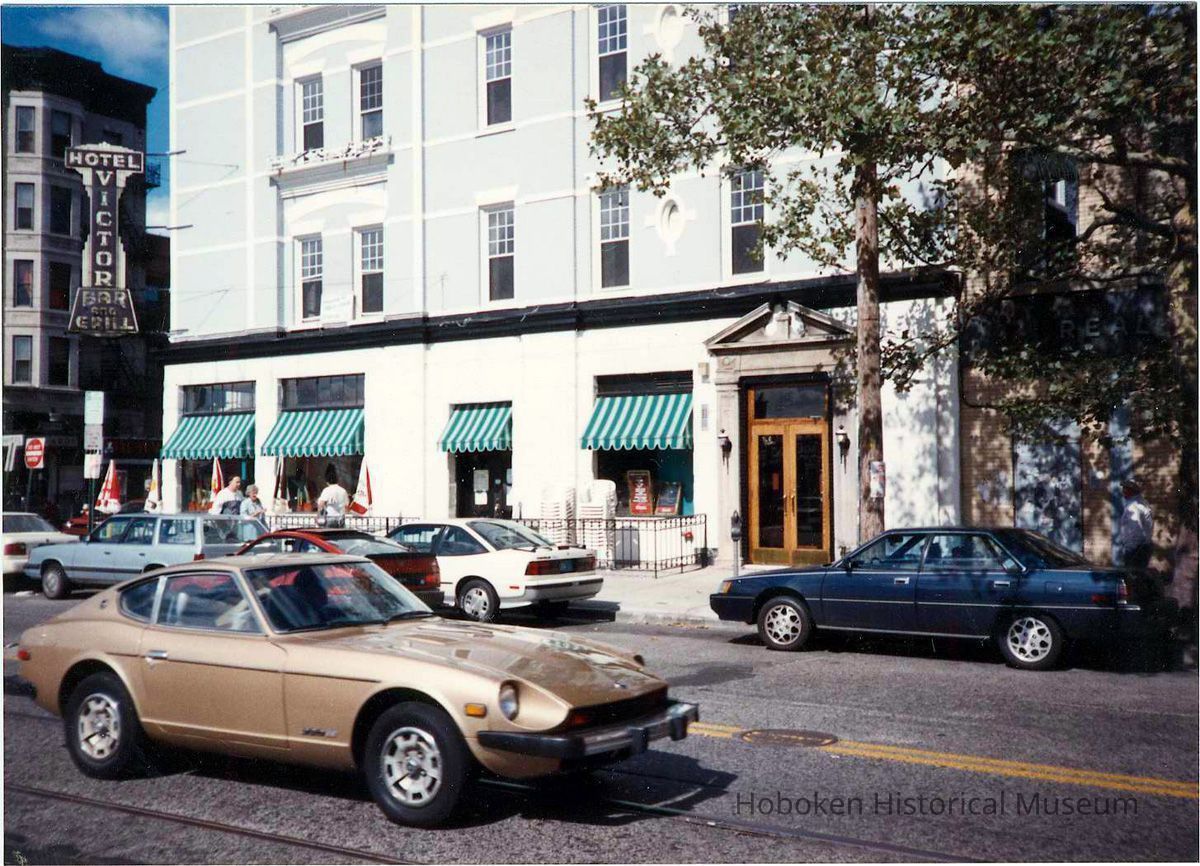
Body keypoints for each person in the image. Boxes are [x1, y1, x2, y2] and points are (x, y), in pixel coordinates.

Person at [1116, 479, 1154, 570]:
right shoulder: (1142, 503)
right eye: (1123, 488)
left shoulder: (1134, 507)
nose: (1123, 491)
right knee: (1139, 576)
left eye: (1126, 489)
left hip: (1136, 549)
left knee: (1132, 577)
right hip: (1142, 547)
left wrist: (1129, 549)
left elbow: (1135, 530)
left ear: (1133, 491)